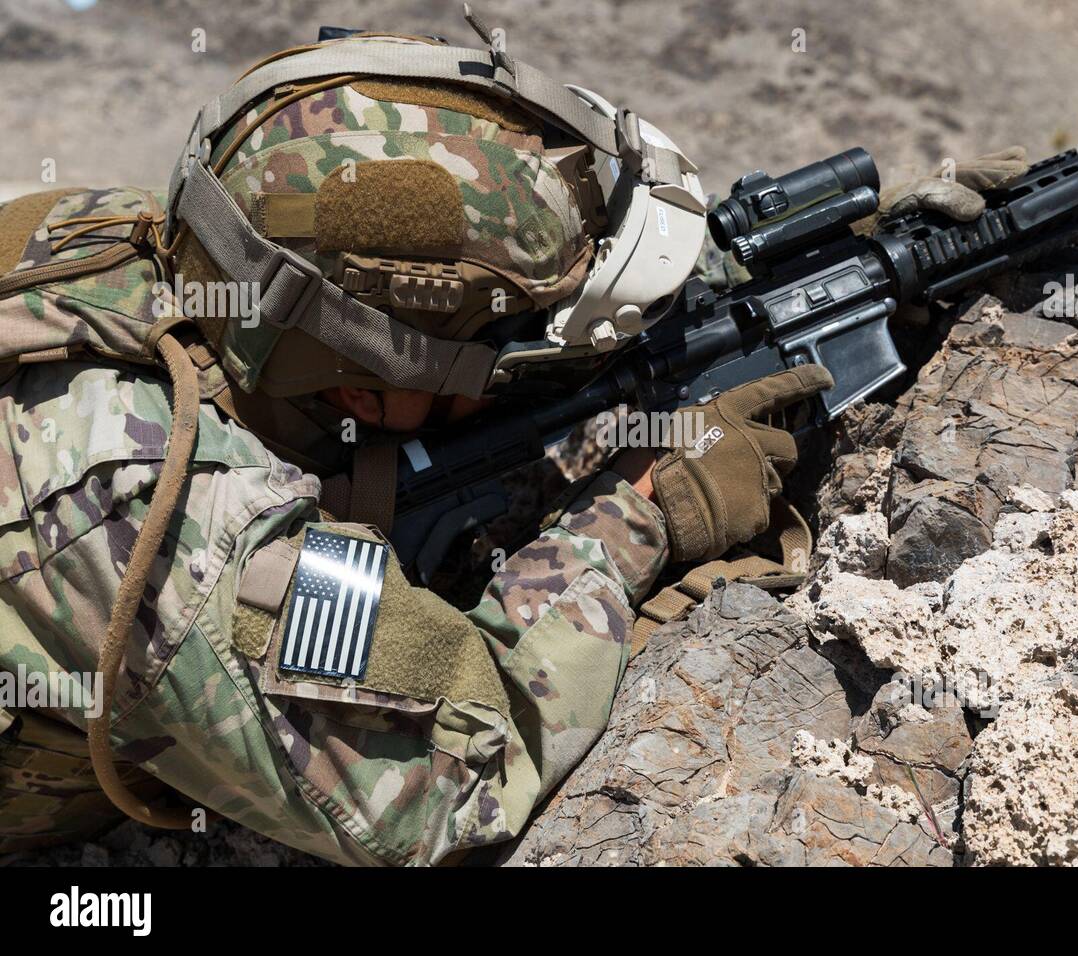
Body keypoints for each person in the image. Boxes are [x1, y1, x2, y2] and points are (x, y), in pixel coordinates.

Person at [0, 26, 1024, 864]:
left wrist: (824, 260)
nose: (521, 363)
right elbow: (446, 780)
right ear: (364, 379)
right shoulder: (158, 520)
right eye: (500, 347)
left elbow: (466, 304)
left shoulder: (188, 255)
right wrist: (633, 513)